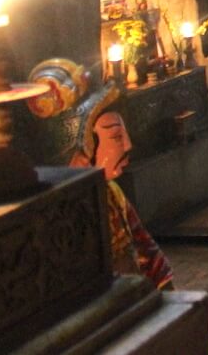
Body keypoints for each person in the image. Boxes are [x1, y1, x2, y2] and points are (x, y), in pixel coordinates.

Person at [71, 100, 174, 289]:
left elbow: (145, 248)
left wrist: (164, 286)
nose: (127, 145)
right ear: (86, 147)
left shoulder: (112, 192)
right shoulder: (69, 209)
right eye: (117, 137)